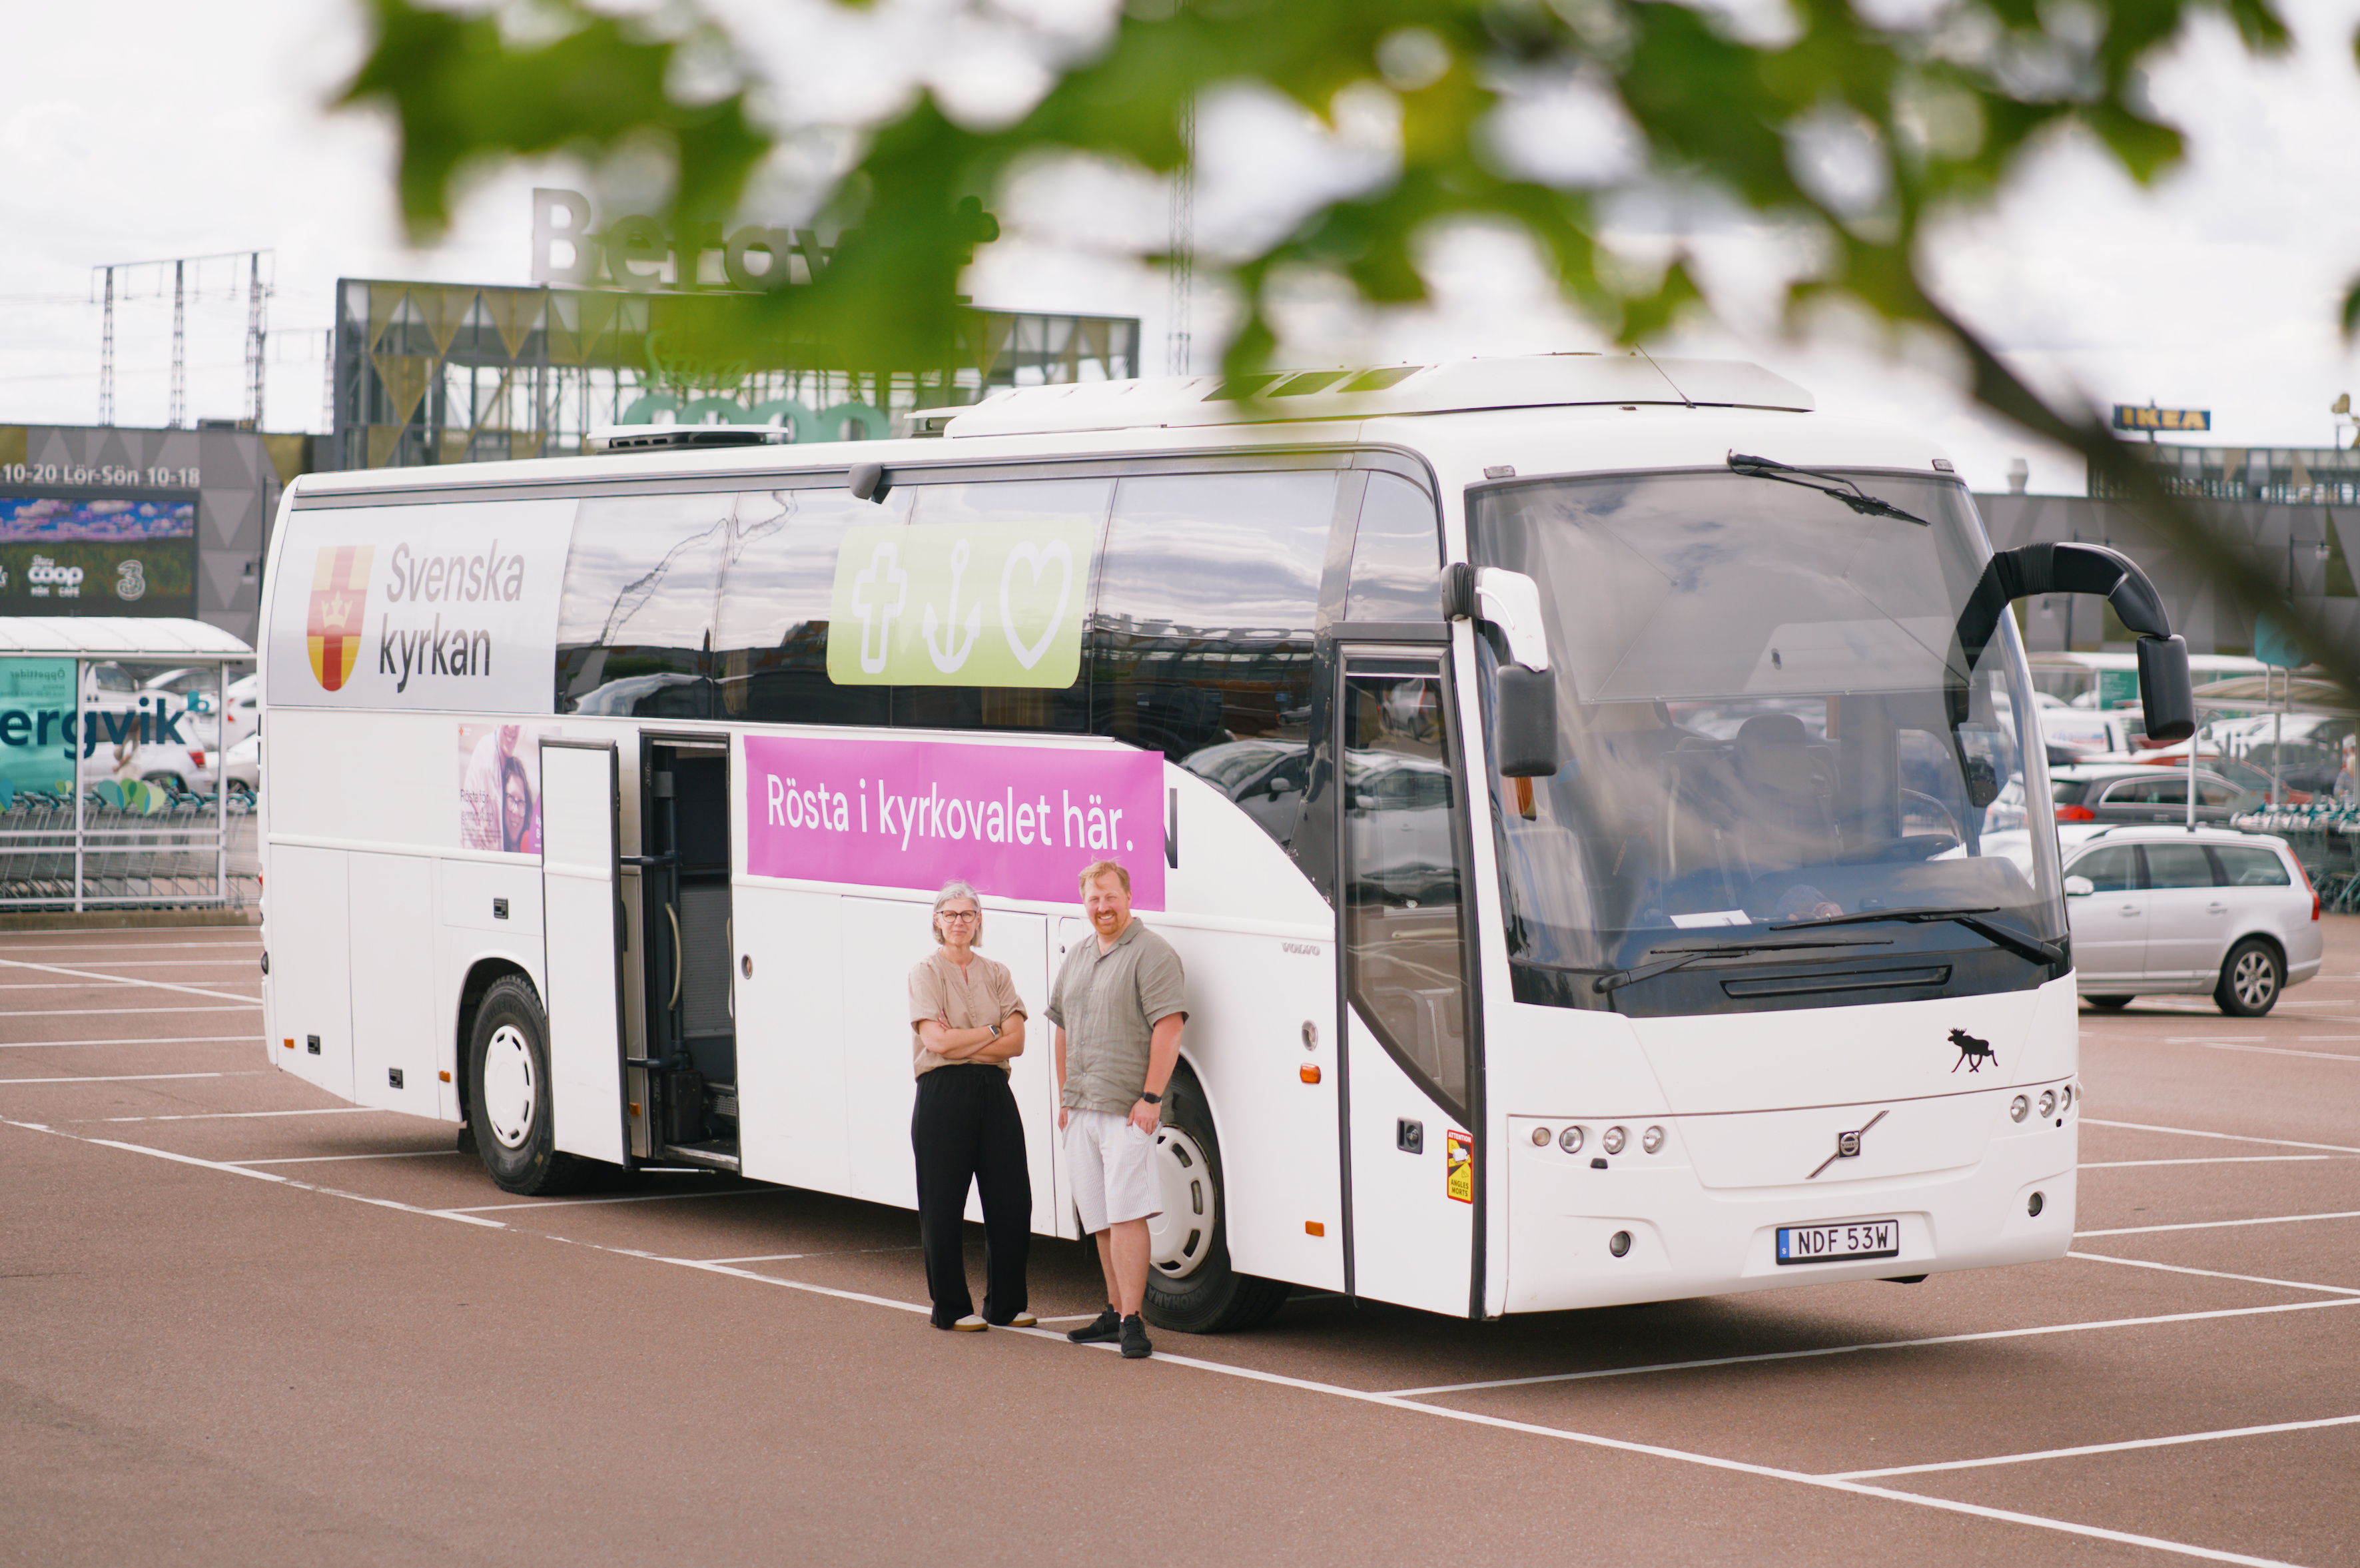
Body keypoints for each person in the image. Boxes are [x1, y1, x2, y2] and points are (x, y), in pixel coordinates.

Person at [1046, 859, 1186, 1360]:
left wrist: (1151, 1098)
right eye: (1093, 899)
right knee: (1100, 1218)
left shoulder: (1152, 953)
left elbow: (1169, 1026)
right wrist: (1065, 1097)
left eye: (1110, 896)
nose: (1102, 907)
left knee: (1127, 1214)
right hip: (1082, 1107)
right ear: (1084, 904)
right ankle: (1113, 1311)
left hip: (1127, 1109)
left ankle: (1132, 1320)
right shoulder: (1079, 955)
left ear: (1128, 897)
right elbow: (1062, 1027)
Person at [908, 881, 1034, 1332]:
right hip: (942, 1094)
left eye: (967, 914)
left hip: (994, 1092)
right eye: (950, 914)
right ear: (937, 921)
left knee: (1012, 1201)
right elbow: (936, 1043)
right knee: (943, 1205)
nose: (959, 922)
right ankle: (951, 1307)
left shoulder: (997, 972)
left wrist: (967, 1040)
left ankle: (1006, 1305)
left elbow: (1017, 1043)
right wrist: (993, 1031)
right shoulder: (925, 973)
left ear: (979, 920)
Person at [500, 755, 540, 854]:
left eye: (521, 802)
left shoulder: (531, 847)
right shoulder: (493, 847)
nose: (516, 811)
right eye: (511, 798)